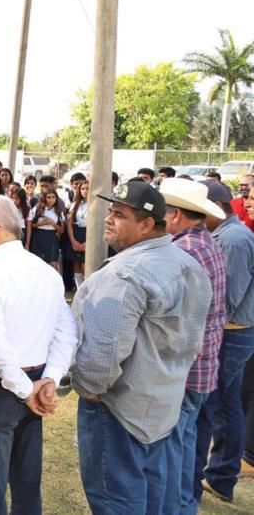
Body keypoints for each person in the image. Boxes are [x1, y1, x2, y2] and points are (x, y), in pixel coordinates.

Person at [71, 180, 212, 513]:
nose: (108, 219)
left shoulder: (125, 274)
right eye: (110, 211)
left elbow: (103, 354)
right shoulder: (189, 265)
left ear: (147, 224)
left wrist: (89, 389)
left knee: (119, 501)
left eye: (120, 215)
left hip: (120, 410)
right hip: (162, 405)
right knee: (154, 499)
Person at [0, 195, 77, 514]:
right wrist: (48, 379)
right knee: (26, 483)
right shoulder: (45, 272)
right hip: (29, 382)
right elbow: (66, 331)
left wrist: (32, 388)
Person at [154, 178, 228, 514]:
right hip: (202, 366)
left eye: (162, 212)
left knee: (175, 449)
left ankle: (180, 506)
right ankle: (184, 503)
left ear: (176, 215)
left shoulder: (183, 252)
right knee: (185, 443)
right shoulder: (206, 243)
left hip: (185, 369)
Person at [194, 180, 254, 505]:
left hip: (232, 332)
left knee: (218, 407)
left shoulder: (232, 239)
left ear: (217, 207)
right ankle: (221, 477)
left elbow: (228, 298)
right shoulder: (228, 234)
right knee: (226, 405)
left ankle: (220, 475)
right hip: (233, 331)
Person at [26, 189, 64, 270]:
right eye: (48, 197)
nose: (51, 199)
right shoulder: (37, 208)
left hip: (52, 238)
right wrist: (42, 224)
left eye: (53, 197)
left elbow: (62, 230)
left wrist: (52, 223)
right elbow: (30, 225)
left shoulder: (59, 210)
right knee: (38, 265)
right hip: (38, 237)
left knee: (53, 265)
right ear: (44, 198)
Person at [65, 182, 89, 288]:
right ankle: (79, 289)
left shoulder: (96, 204)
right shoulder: (75, 204)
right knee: (77, 263)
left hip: (89, 234)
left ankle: (87, 289)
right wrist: (73, 241)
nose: (85, 191)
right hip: (76, 233)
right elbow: (69, 223)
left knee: (85, 264)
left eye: (87, 188)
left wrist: (88, 242)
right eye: (83, 189)